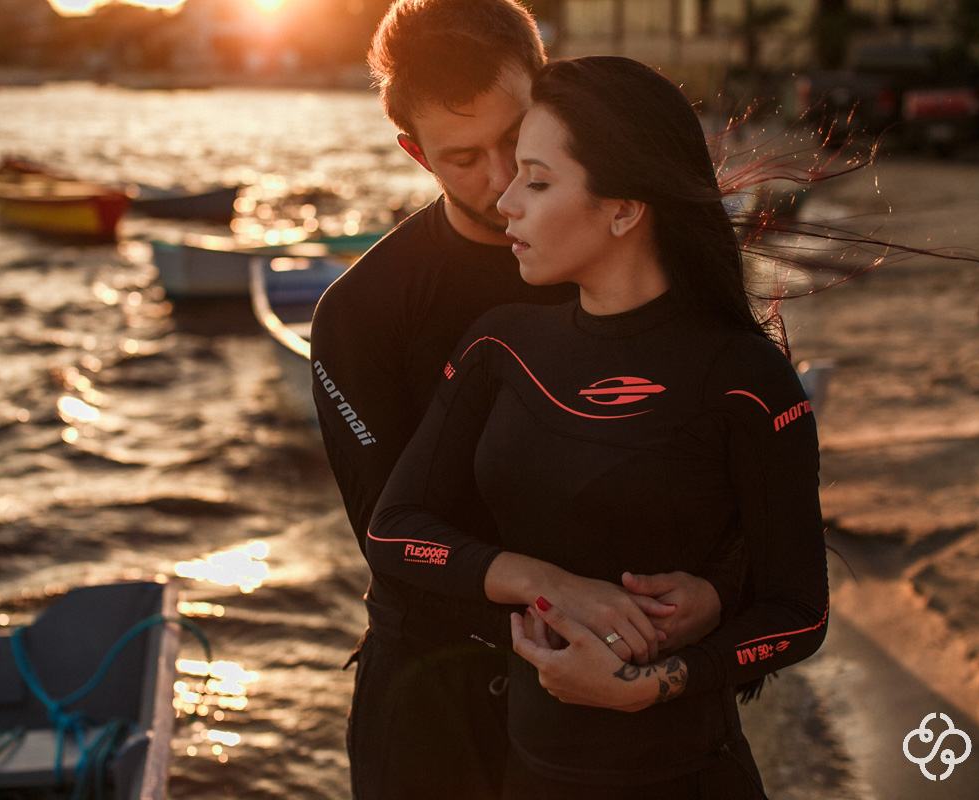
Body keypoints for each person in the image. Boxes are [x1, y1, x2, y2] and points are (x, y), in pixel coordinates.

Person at [367, 55, 831, 799]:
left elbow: (800, 614)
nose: (506, 201)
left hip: (689, 779)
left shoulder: (745, 378)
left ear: (622, 209)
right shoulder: (501, 345)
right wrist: (547, 586)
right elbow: (393, 532)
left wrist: (657, 684)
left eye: (537, 181)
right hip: (527, 777)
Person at [310, 2, 740, 798]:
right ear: (415, 153)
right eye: (462, 157)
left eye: (516, 138)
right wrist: (552, 588)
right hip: (435, 704)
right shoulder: (361, 311)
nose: (502, 177)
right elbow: (390, 539)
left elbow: (740, 480)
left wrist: (712, 594)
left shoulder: (641, 250)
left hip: (628, 681)